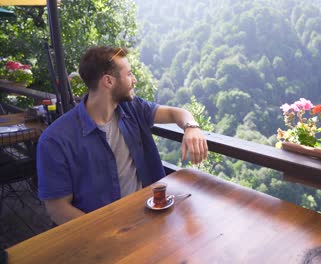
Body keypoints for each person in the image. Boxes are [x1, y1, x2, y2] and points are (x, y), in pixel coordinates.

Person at [37, 46, 208, 225]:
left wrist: (191, 127)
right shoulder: (55, 140)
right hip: (102, 237)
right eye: (129, 74)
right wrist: (108, 233)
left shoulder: (133, 108)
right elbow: (57, 209)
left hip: (150, 219)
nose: (134, 80)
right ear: (108, 81)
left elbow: (176, 113)